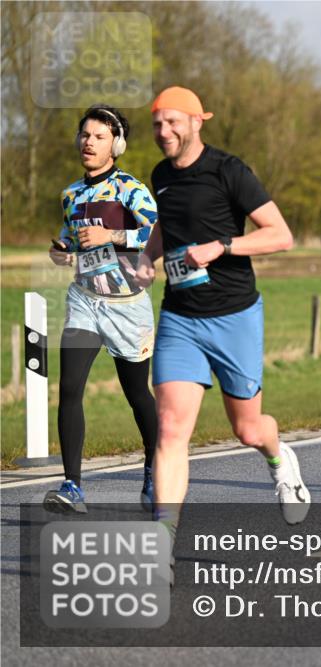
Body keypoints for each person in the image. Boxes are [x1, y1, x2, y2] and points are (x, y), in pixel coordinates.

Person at [135, 87, 309, 541]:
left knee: (248, 429)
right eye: (157, 124)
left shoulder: (229, 170)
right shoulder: (160, 175)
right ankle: (163, 539)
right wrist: (145, 258)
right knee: (171, 428)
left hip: (234, 315)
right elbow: (165, 225)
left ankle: (280, 460)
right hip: (180, 318)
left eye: (173, 122)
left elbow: (281, 235)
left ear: (197, 122)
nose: (164, 131)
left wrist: (223, 246)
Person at [43, 105, 160, 515]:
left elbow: (157, 233)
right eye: (85, 135)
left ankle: (154, 467)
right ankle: (72, 485)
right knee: (70, 387)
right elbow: (71, 241)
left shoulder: (132, 190)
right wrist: (62, 251)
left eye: (98, 136)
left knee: (136, 395)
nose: (88, 142)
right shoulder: (71, 194)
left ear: (116, 144)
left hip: (128, 308)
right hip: (85, 302)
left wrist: (111, 233)